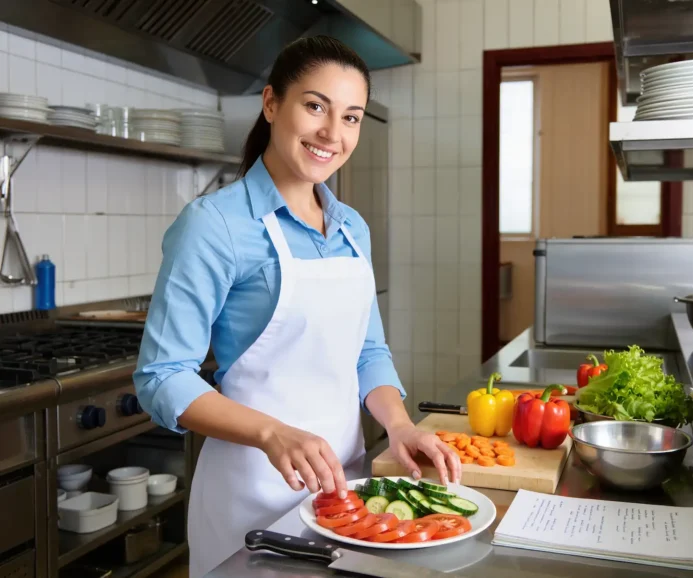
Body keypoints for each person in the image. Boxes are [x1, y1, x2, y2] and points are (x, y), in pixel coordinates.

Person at [133, 35, 461, 578]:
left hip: (344, 489)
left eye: (351, 117)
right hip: (249, 497)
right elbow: (162, 377)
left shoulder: (352, 227)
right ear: (271, 104)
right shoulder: (214, 225)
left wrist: (400, 426)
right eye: (316, 107)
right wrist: (271, 433)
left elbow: (368, 350)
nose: (333, 134)